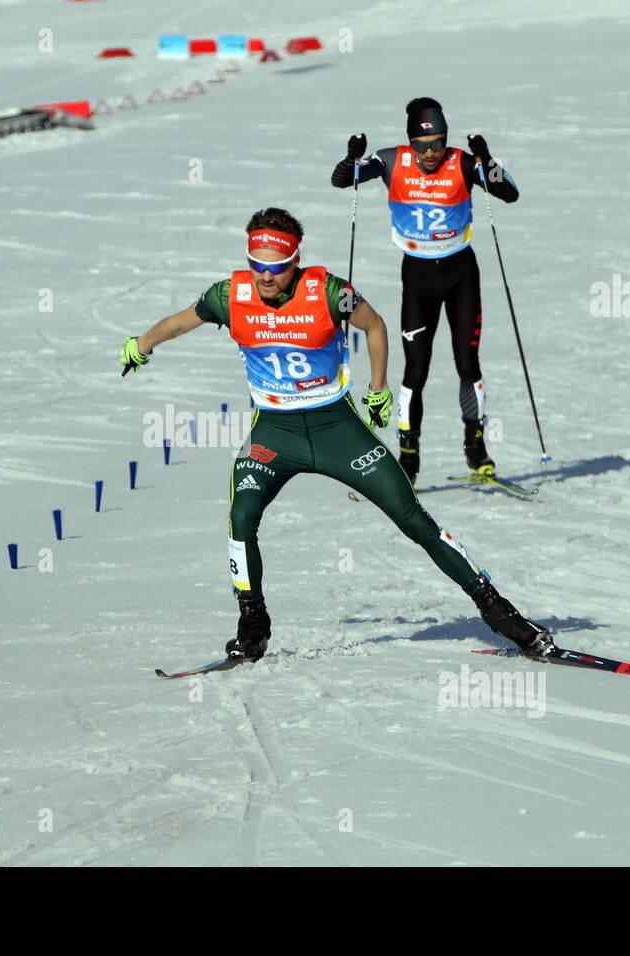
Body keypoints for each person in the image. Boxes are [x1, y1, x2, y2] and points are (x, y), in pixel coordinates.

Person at [118, 207, 553, 663]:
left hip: (337, 429)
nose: (266, 276)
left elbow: (375, 325)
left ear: (296, 259)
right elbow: (180, 321)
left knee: (412, 518)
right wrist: (142, 345)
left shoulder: (327, 291)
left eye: (278, 266)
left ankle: (499, 611)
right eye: (258, 264)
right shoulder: (228, 296)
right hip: (274, 433)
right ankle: (253, 623)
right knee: (241, 516)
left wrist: (379, 389)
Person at [330, 97, 519, 485]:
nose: (431, 153)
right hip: (417, 278)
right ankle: (408, 459)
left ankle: (476, 446)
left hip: (461, 273)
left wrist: (487, 161)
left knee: (468, 365)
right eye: (422, 145)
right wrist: (352, 157)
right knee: (416, 370)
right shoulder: (390, 161)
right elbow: (340, 179)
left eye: (437, 144)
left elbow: (509, 193)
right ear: (410, 141)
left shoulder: (463, 162)